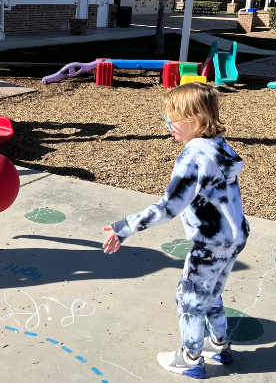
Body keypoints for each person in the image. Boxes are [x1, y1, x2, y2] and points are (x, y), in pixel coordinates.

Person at [101, 83, 249, 379]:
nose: (167, 124)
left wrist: (125, 228)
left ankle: (191, 358)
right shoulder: (220, 146)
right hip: (236, 236)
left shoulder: (194, 156)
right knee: (212, 293)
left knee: (190, 297)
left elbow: (168, 207)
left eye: (173, 117)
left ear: (196, 120)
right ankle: (219, 345)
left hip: (211, 242)